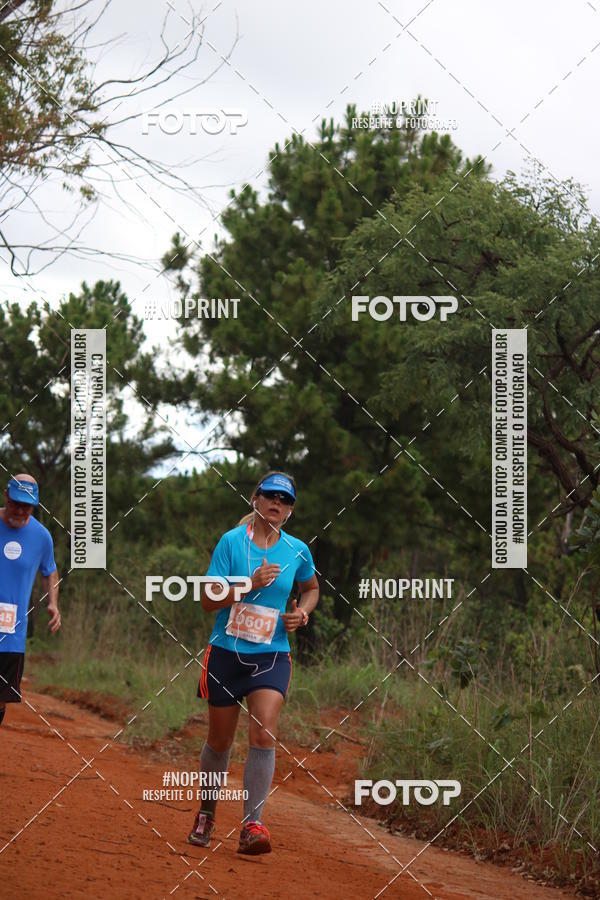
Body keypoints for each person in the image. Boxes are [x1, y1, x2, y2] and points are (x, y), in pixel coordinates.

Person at [188, 471, 319, 855]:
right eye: (270, 495)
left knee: (264, 732)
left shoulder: (297, 550)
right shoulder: (231, 542)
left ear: (290, 510)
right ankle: (207, 813)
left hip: (271, 654)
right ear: (255, 499)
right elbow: (208, 600)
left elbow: (310, 588)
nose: (277, 503)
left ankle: (252, 825)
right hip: (226, 653)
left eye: (285, 499)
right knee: (219, 740)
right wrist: (250, 583)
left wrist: (303, 614)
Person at [0, 474, 61, 726]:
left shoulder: (41, 536)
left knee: (1, 698)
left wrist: (53, 602)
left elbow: (50, 571)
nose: (20, 510)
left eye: (27, 506)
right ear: (6, 496)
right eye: (16, 503)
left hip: (11, 634)